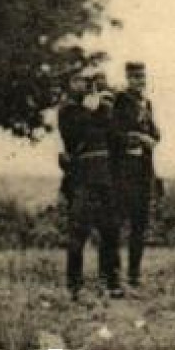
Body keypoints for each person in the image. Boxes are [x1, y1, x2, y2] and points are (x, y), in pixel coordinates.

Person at [56, 72, 121, 298]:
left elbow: (111, 133)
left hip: (103, 177)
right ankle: (74, 286)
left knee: (110, 230)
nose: (82, 85)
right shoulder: (68, 111)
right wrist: (101, 107)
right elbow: (81, 131)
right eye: (76, 81)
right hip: (82, 179)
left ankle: (110, 282)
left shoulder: (91, 110)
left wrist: (107, 106)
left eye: (84, 81)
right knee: (78, 232)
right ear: (68, 86)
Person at [111, 61, 161, 293]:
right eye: (135, 78)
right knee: (119, 221)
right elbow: (115, 133)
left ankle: (134, 275)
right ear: (128, 78)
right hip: (124, 170)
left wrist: (149, 136)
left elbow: (156, 133)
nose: (140, 82)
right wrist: (138, 138)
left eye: (142, 78)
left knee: (140, 224)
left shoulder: (146, 103)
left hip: (143, 169)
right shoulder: (121, 101)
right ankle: (113, 275)